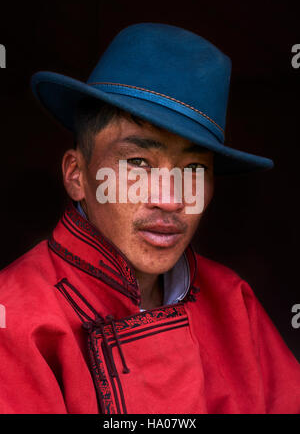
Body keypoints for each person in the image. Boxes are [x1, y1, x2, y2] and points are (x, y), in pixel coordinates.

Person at [0, 23, 299, 414]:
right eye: (138, 162)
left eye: (193, 169)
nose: (171, 200)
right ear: (77, 175)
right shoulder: (15, 318)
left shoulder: (231, 301)